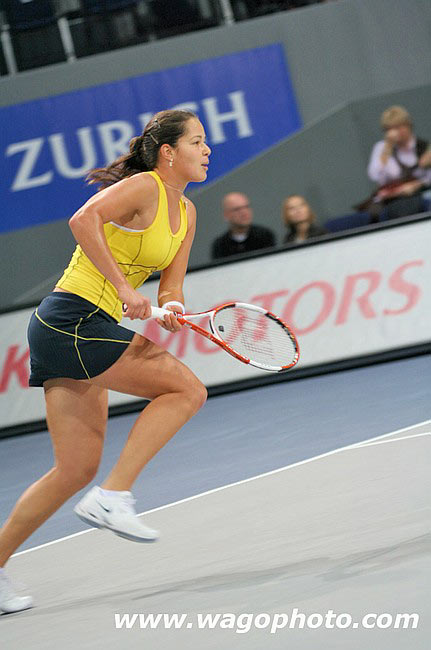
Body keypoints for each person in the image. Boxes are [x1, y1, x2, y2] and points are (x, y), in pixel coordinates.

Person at [0, 109, 211, 614]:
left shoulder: (188, 212)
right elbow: (82, 219)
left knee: (73, 468)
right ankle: (114, 496)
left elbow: (171, 285)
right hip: (70, 317)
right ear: (168, 153)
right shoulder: (145, 187)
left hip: (75, 327)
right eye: (197, 142)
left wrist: (173, 308)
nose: (207, 150)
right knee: (186, 390)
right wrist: (121, 289)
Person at [366, 105, 431, 220]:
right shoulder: (382, 148)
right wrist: (388, 148)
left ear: (407, 125)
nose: (393, 132)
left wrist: (417, 184)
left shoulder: (423, 147)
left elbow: (427, 179)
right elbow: (375, 176)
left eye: (397, 127)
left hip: (419, 195)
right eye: (388, 129)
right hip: (392, 200)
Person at [211, 192, 275, 259]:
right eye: (237, 209)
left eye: (246, 207)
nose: (244, 212)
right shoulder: (220, 245)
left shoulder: (264, 236)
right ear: (226, 215)